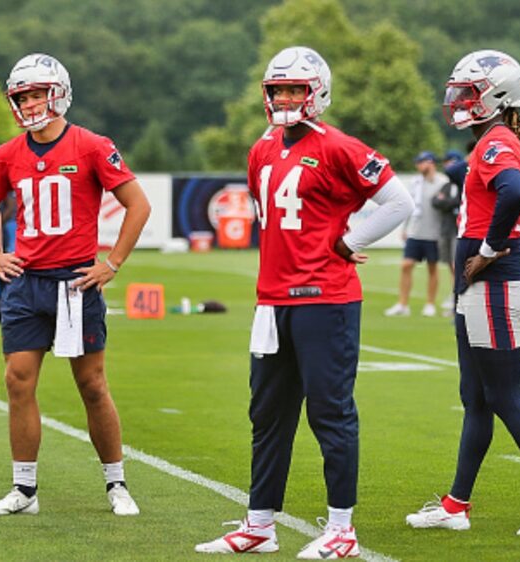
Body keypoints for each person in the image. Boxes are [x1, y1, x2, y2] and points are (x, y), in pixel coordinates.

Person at [195, 46, 413, 558]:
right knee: (267, 414)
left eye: (295, 89)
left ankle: (342, 529)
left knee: (330, 414)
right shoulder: (261, 149)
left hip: (324, 298)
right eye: (278, 90)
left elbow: (401, 202)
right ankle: (260, 524)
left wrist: (351, 240)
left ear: (317, 92)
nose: (286, 98)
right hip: (271, 301)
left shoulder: (339, 147)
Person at [406, 49, 520, 536]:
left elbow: (513, 195)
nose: (460, 101)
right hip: (484, 284)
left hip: (497, 284)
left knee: (505, 397)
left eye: (469, 93)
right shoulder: (494, 139)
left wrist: (490, 248)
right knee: (476, 397)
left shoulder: (495, 144)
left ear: (497, 94)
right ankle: (456, 505)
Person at [0, 53, 151, 517]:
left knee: (91, 384)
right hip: (26, 284)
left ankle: (116, 483)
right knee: (17, 381)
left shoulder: (92, 145)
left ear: (59, 93)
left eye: (37, 94)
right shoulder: (6, 154)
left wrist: (112, 264)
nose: (31, 104)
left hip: (74, 283)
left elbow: (138, 205)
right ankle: (25, 490)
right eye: (23, 97)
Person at [385, 151, 448, 317]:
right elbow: (409, 206)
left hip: (434, 233)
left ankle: (430, 304)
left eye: (422, 162)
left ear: (431, 162)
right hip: (415, 231)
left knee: (432, 267)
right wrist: (405, 228)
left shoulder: (443, 182)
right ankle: (402, 304)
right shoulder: (415, 182)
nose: (419, 166)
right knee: (406, 265)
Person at [433, 147, 469, 317]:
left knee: (457, 266)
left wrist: (449, 203)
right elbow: (436, 201)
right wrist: (450, 203)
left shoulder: (464, 182)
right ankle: (455, 296)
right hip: (447, 228)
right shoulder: (447, 185)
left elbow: (459, 202)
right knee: (450, 265)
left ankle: (459, 301)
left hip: (459, 230)